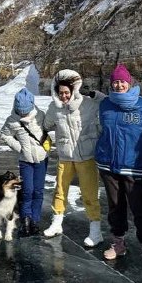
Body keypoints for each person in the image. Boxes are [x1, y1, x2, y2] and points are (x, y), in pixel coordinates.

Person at [94, 64, 142, 263]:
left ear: (129, 82)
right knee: (115, 206)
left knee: (139, 208)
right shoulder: (105, 105)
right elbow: (98, 130)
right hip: (108, 166)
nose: (118, 84)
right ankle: (118, 242)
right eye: (115, 81)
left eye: (122, 81)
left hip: (134, 166)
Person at [42, 69, 105, 247]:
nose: (64, 96)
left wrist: (93, 93)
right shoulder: (54, 108)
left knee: (89, 194)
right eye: (61, 93)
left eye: (67, 93)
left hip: (86, 157)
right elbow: (46, 125)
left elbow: (106, 101)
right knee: (60, 191)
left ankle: (95, 230)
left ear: (73, 91)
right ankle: (56, 223)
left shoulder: (87, 104)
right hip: (65, 157)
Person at [0, 88, 49, 236]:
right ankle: (26, 219)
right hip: (25, 161)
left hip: (42, 159)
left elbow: (50, 126)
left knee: (38, 191)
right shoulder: (12, 120)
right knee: (27, 191)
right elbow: (4, 134)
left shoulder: (40, 115)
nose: (23, 114)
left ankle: (35, 220)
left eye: (26, 111)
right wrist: (19, 147)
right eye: (21, 111)